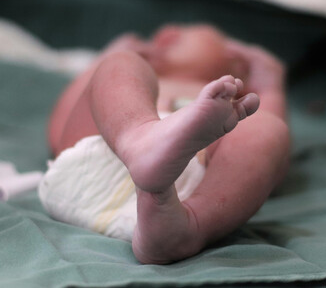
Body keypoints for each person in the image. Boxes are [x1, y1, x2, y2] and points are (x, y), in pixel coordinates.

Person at [40, 24, 290, 264]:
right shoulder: (135, 79)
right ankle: (138, 139)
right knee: (120, 64)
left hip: (189, 198)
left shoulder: (232, 104)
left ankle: (184, 228)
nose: (164, 33)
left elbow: (269, 166)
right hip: (96, 161)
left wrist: (269, 90)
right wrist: (103, 62)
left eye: (183, 33)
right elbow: (61, 130)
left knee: (266, 126)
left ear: (238, 66)